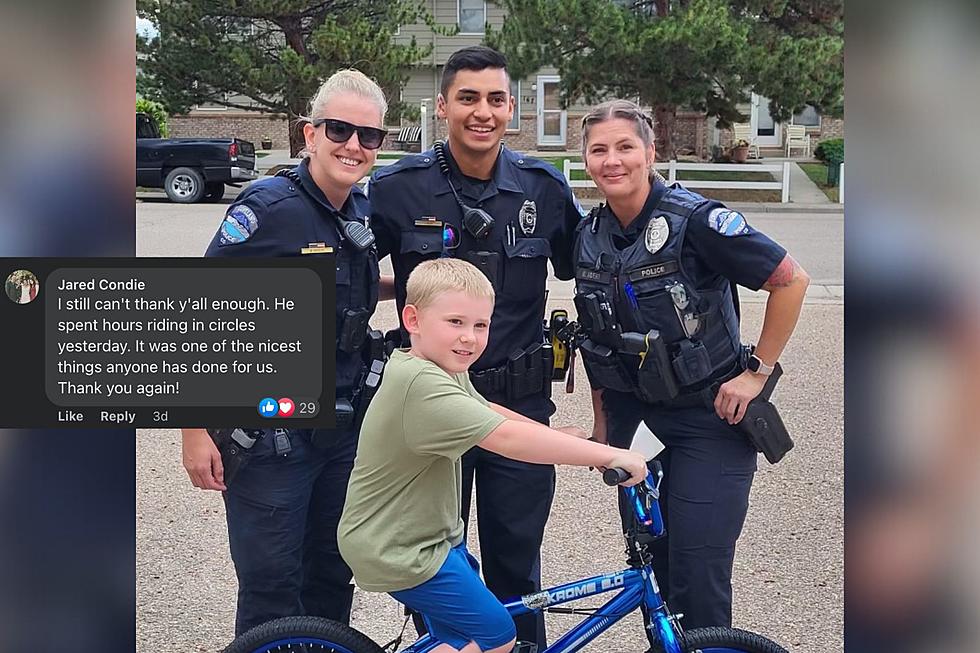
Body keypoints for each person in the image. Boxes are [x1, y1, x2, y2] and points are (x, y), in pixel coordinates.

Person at [367, 45, 584, 648]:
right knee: (440, 562)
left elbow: (589, 270)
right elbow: (347, 279)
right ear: (442, 107)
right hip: (433, 412)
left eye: (495, 99)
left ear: (510, 108)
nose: (482, 112)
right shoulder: (396, 189)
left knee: (519, 562)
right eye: (467, 98)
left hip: (519, 402)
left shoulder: (545, 189)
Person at [574, 99, 810, 628]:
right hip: (637, 421)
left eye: (625, 147)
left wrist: (757, 373)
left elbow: (791, 281)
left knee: (698, 569)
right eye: (599, 149)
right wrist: (600, 425)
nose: (613, 160)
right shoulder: (589, 236)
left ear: (651, 152)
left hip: (709, 419)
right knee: (652, 566)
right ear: (586, 159)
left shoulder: (698, 221)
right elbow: (596, 339)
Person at [338, 258, 648, 653]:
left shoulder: (437, 366)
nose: (469, 337)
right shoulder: (422, 385)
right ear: (412, 320)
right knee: (497, 636)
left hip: (426, 538)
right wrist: (608, 454)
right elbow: (504, 439)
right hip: (399, 549)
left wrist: (553, 435)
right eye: (455, 322)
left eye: (480, 325)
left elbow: (488, 412)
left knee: (458, 637)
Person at [179, 69, 390, 636]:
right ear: (310, 133)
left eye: (368, 135)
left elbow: (348, 288)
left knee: (331, 576)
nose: (353, 145)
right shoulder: (267, 209)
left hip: (341, 434)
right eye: (340, 129)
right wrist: (194, 430)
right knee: (273, 587)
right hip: (271, 440)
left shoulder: (359, 213)